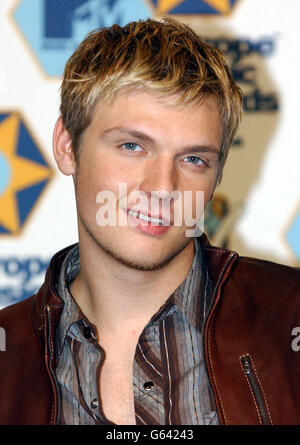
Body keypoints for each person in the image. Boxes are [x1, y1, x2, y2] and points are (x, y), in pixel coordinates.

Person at [0, 17, 299, 426]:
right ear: (68, 146)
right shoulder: (7, 358)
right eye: (132, 146)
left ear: (217, 175)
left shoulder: (290, 322)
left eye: (193, 159)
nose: (163, 187)